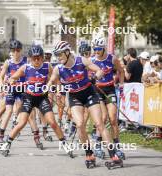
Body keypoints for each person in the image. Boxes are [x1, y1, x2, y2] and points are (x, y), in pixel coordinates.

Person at [47, 40, 123, 168]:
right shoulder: (58, 68)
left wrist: (95, 78)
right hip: (74, 97)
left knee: (100, 124)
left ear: (67, 52)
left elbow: (100, 71)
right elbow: (51, 82)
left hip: (89, 94)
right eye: (56, 54)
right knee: (80, 124)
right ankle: (89, 154)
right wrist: (46, 89)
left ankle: (113, 155)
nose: (58, 57)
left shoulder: (81, 60)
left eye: (60, 54)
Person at [0, 45, 73, 157]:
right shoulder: (25, 67)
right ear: (30, 58)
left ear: (42, 57)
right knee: (22, 122)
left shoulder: (47, 67)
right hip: (29, 97)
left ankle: (64, 143)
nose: (37, 60)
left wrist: (57, 91)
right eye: (34, 58)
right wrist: (12, 82)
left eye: (39, 58)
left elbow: (57, 81)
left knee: (52, 122)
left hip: (42, 98)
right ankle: (7, 144)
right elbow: (12, 78)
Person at [90, 37, 125, 160]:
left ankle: (117, 146)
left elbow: (121, 71)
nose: (96, 51)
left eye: (98, 49)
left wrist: (121, 86)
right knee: (103, 118)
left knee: (113, 119)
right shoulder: (92, 60)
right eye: (95, 49)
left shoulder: (112, 58)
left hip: (110, 90)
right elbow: (87, 75)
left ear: (104, 48)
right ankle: (98, 145)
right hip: (97, 91)